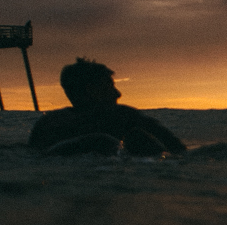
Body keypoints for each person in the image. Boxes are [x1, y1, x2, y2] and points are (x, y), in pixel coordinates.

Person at [28, 58, 187, 156]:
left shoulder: (48, 122)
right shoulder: (122, 116)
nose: (118, 94)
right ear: (92, 90)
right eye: (110, 86)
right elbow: (178, 150)